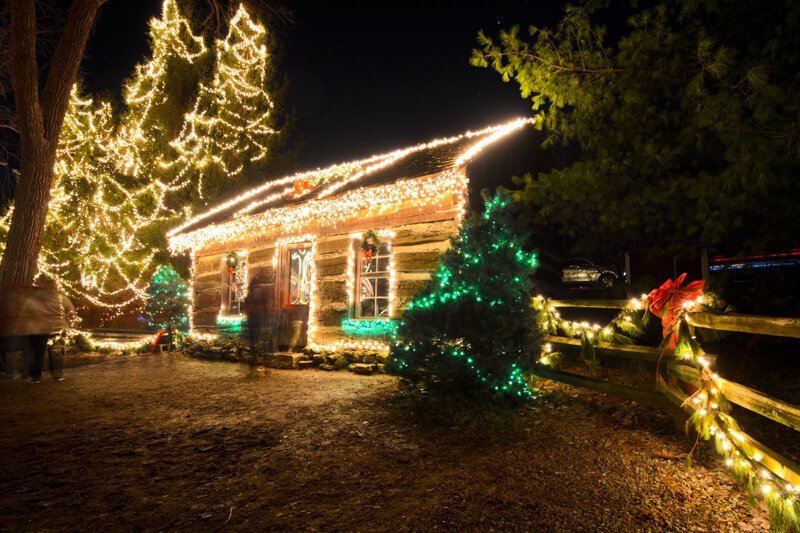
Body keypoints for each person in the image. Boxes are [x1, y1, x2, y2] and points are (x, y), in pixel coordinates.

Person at [0, 276, 76, 383]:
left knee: (37, 353)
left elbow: (25, 313)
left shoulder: (34, 300)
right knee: (56, 353)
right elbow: (71, 312)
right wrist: (71, 324)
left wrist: (18, 327)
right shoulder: (61, 298)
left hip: (39, 329)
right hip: (58, 328)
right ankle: (57, 374)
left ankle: (35, 376)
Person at [243, 273, 272, 354]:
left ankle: (253, 347)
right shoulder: (260, 290)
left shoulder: (250, 291)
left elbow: (246, 302)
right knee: (256, 331)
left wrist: (247, 310)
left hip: (251, 314)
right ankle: (255, 348)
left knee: (252, 331)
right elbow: (265, 302)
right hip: (259, 314)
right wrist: (267, 313)